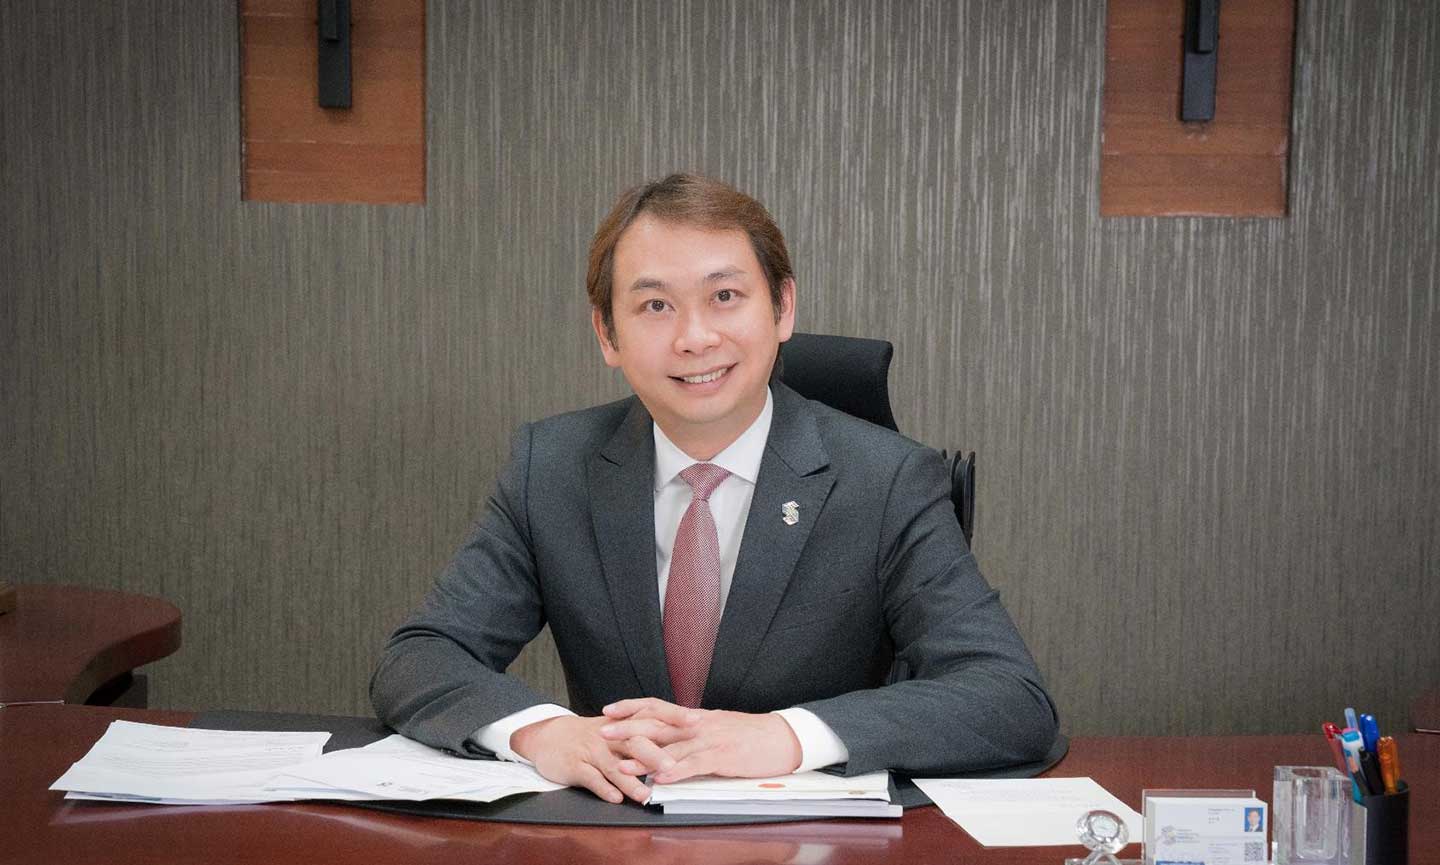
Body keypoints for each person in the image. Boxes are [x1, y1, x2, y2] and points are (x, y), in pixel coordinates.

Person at [370, 173, 1058, 805]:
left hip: (811, 843)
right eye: (655, 305)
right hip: (618, 838)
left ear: (782, 307)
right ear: (607, 334)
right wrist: (543, 731)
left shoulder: (887, 482)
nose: (695, 337)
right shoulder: (550, 467)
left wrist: (785, 736)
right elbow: (421, 655)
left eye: (724, 296)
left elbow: (1008, 695)